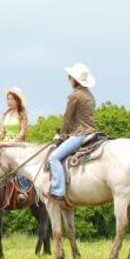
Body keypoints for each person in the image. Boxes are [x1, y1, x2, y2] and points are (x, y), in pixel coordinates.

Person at [49, 63, 97, 201]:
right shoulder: (89, 95)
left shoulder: (74, 95)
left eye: (70, 78)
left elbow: (67, 117)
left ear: (74, 80)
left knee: (53, 158)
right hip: (92, 131)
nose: (69, 80)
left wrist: (60, 135)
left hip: (80, 134)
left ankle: (58, 190)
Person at [0, 87, 31, 201]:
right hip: (4, 142)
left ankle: (24, 189)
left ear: (17, 100)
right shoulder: (6, 113)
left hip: (17, 143)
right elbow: (2, 131)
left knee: (15, 165)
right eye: (7, 99)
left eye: (11, 99)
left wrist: (13, 141)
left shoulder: (22, 114)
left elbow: (22, 132)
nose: (8, 101)